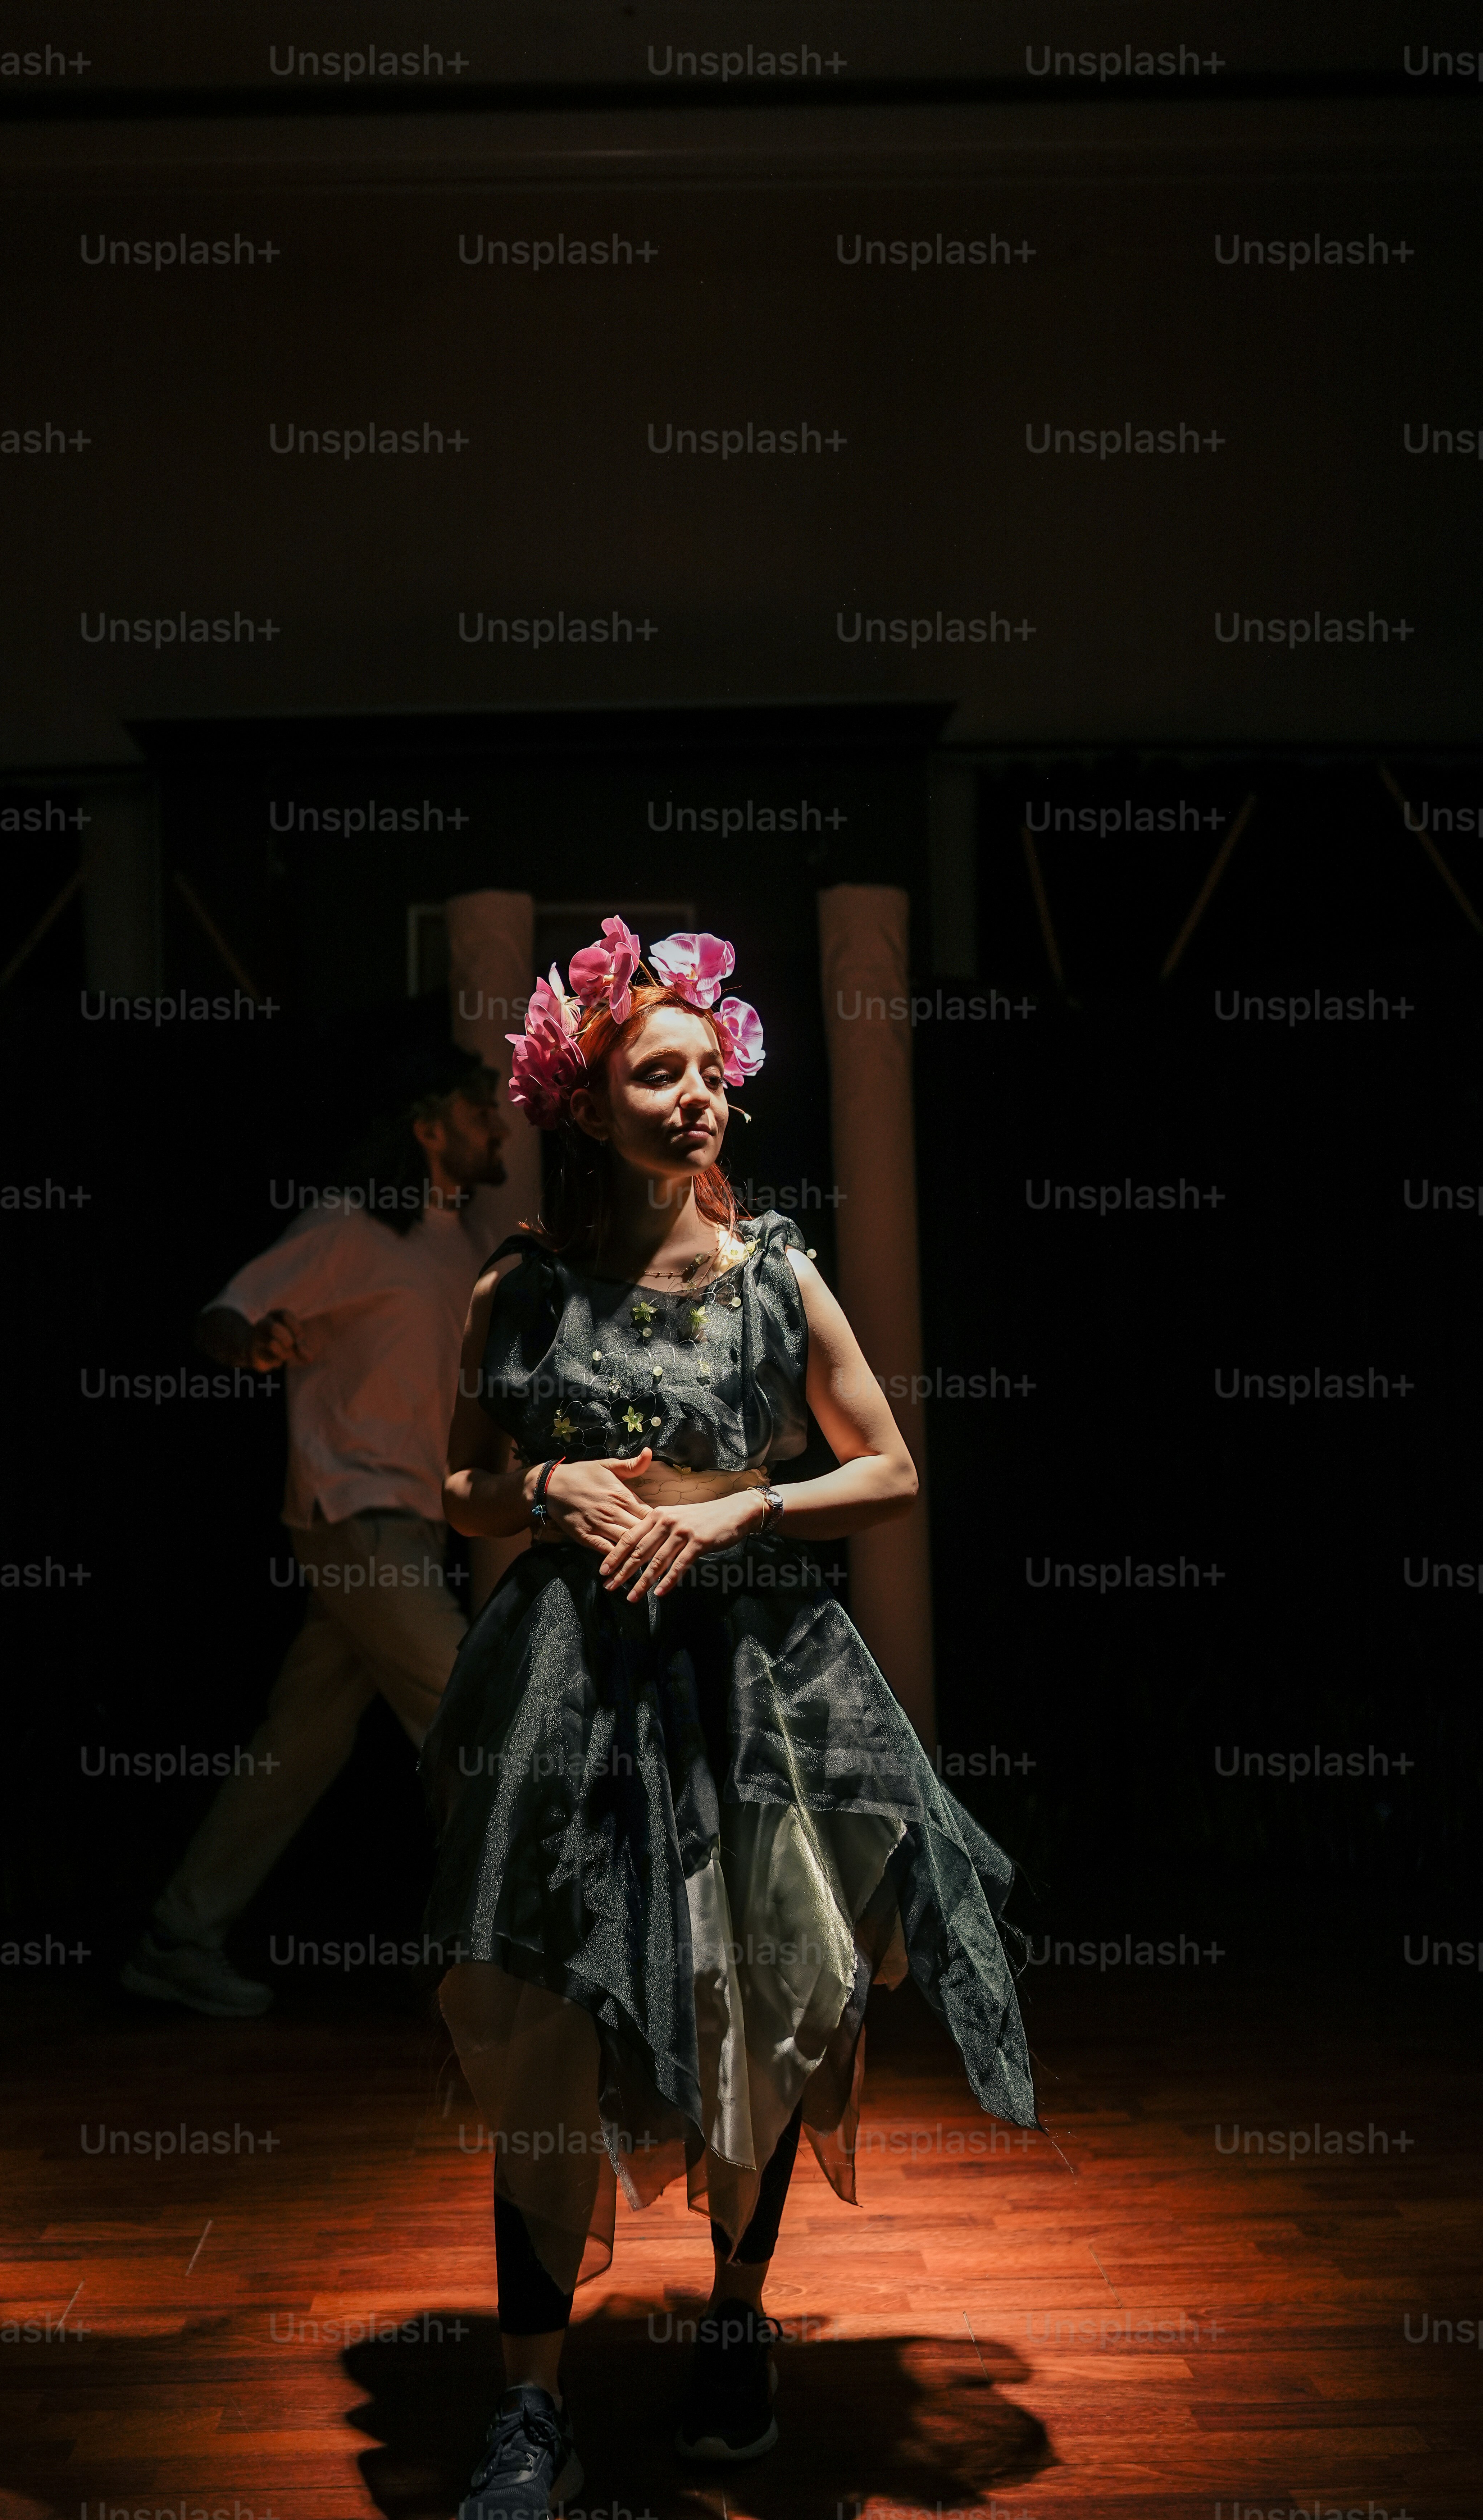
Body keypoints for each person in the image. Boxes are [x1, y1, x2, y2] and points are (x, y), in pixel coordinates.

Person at [418, 921, 1039, 2520]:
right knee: (552, 2020)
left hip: (753, 1686)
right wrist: (546, 1486)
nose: (696, 1100)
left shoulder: (774, 1272)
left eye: (711, 1074)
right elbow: (459, 1484)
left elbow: (891, 1468)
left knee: (754, 2018)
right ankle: (529, 2409)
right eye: (657, 1073)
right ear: (587, 1103)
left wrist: (741, 1511)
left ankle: (737, 2324)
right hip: (568, 1686)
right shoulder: (524, 1285)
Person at [120, 1040, 508, 2019]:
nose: (496, 1124)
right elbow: (225, 1313)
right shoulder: (348, 1228)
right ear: (427, 1126)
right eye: (477, 1109)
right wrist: (251, 1342)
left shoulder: (456, 1245)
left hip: (410, 1531)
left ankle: (177, 1937)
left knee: (297, 1748)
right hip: (356, 1518)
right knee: (474, 1721)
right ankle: (504, 1965)